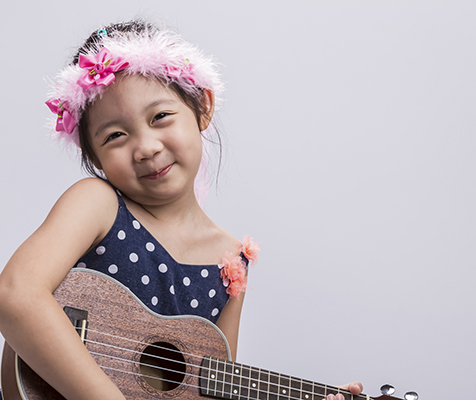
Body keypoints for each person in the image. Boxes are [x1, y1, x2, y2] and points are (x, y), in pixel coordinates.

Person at [0, 20, 362, 400]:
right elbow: (15, 294)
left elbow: (212, 391)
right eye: (115, 136)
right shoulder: (98, 205)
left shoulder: (230, 261)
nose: (146, 147)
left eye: (160, 117)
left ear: (202, 107)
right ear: (93, 156)